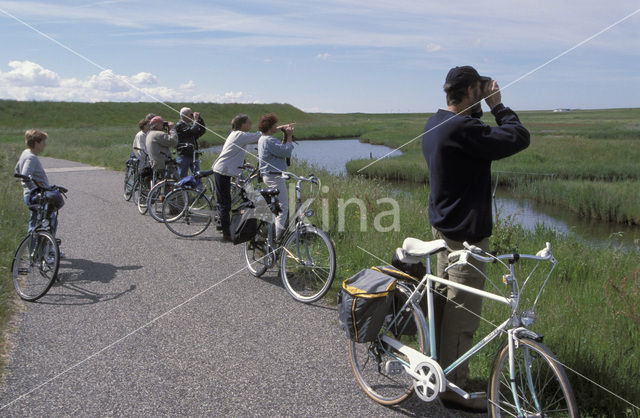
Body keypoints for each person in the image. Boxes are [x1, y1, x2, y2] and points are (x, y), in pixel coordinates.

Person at [421, 65, 530, 412]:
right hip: (465, 239)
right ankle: (453, 388)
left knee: (440, 303)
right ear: (470, 91)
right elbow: (518, 137)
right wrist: (497, 105)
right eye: (479, 90)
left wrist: (481, 103)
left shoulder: (434, 123)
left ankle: (434, 368)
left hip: (442, 230)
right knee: (461, 313)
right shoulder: (464, 128)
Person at [212, 114, 262, 241]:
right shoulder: (240, 135)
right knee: (225, 203)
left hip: (224, 170)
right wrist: (274, 129)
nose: (251, 124)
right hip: (223, 170)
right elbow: (258, 136)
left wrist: (243, 163)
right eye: (249, 122)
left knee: (224, 201)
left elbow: (234, 152)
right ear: (243, 124)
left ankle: (221, 224)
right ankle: (226, 233)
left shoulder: (235, 134)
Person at [14, 129, 61, 244]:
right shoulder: (31, 158)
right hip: (37, 196)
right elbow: (24, 176)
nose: (45, 145)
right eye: (43, 142)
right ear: (36, 143)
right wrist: (35, 188)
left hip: (32, 195)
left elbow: (17, 169)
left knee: (39, 222)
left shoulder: (26, 153)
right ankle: (45, 252)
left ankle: (41, 251)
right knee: (48, 222)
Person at [257, 113, 295, 241]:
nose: (277, 127)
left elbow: (279, 151)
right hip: (275, 177)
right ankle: (275, 240)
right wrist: (289, 136)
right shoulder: (269, 140)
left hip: (269, 176)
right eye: (275, 125)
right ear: (270, 126)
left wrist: (283, 131)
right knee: (283, 209)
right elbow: (286, 151)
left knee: (276, 208)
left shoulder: (263, 138)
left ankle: (270, 234)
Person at [175, 107, 206, 179]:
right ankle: (181, 190)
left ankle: (198, 189)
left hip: (193, 154)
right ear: (185, 115)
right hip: (184, 155)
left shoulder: (188, 125)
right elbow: (191, 131)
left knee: (197, 175)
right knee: (182, 176)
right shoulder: (179, 125)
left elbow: (201, 131)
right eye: (190, 114)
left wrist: (199, 120)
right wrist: (195, 120)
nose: (192, 116)